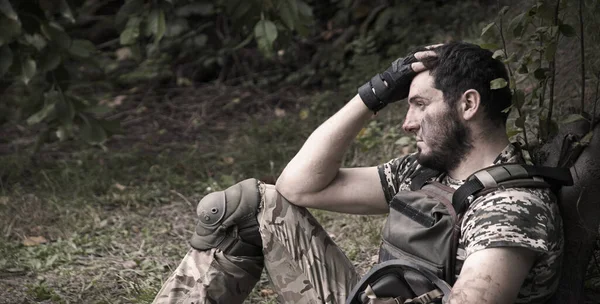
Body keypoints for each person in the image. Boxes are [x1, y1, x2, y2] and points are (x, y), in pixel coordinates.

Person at [152, 42, 563, 304]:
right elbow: (297, 187)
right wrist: (372, 94)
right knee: (248, 205)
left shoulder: (510, 207)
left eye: (419, 104)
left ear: (468, 105)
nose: (407, 122)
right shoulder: (425, 173)